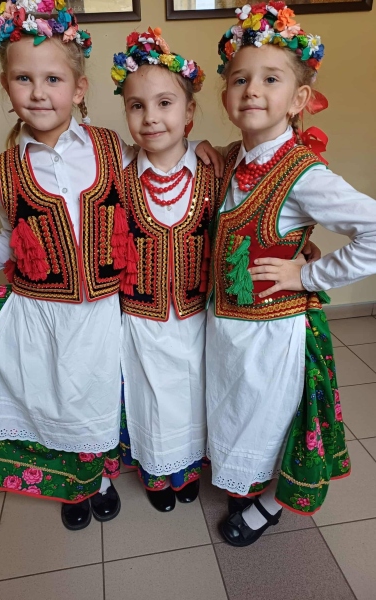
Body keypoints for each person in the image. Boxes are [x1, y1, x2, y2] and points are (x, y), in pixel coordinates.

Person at [0, 0, 133, 532]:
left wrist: (205, 151)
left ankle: (98, 476)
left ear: (79, 89)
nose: (39, 92)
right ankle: (72, 482)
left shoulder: (112, 149)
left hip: (101, 312)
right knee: (53, 401)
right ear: (7, 85)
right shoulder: (5, 169)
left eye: (53, 79)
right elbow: (6, 238)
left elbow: (163, 167)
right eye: (24, 78)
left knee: (96, 397)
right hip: (41, 314)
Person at [206, 2, 376, 546]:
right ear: (225, 96)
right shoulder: (231, 159)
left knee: (272, 417)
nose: (252, 90)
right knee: (236, 410)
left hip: (272, 334)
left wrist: (308, 277)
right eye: (239, 79)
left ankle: (270, 503)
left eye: (271, 79)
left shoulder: (304, 175)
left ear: (299, 99)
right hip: (228, 326)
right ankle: (243, 478)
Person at [110, 27, 230, 513]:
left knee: (192, 393)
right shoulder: (116, 173)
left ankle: (188, 468)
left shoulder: (214, 170)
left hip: (197, 316)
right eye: (137, 106)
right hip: (139, 319)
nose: (151, 117)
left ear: (189, 112)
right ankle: (156, 472)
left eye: (165, 103)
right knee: (149, 398)